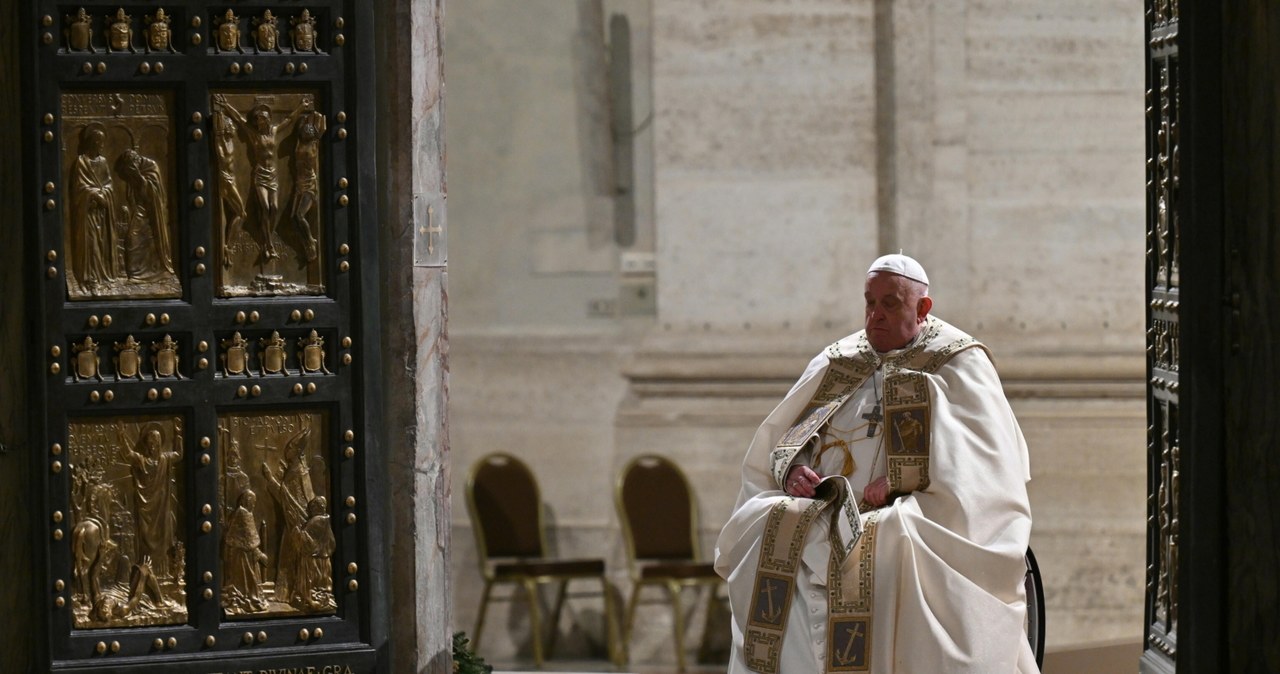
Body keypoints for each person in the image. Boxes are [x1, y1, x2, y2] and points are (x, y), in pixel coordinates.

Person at [714, 253, 1036, 673]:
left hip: (909, 513)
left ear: (922, 309)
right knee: (766, 520)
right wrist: (792, 471)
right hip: (820, 511)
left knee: (893, 540)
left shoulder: (958, 362)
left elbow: (983, 470)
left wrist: (905, 481)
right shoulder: (841, 359)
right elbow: (782, 441)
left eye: (890, 304)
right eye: (870, 302)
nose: (875, 315)